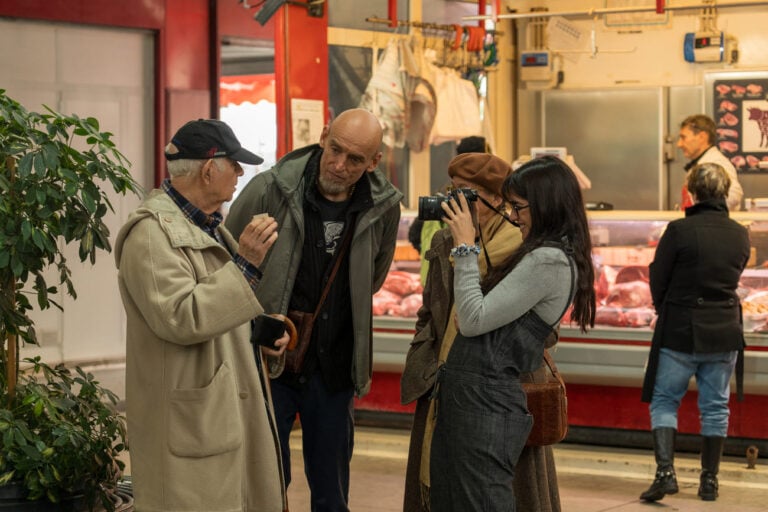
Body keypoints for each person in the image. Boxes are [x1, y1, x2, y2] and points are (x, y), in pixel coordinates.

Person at [225, 108, 403, 511]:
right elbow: (228, 263)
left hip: (335, 368)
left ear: (374, 162)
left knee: (332, 492)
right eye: (335, 149)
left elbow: (372, 278)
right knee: (266, 482)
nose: (339, 165)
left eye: (355, 159)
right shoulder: (270, 189)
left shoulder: (382, 208)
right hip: (270, 363)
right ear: (324, 136)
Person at [115, 119, 289, 512]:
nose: (241, 174)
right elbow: (180, 317)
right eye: (235, 164)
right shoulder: (150, 235)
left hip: (217, 419)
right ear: (210, 168)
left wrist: (259, 330)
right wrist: (246, 263)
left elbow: (216, 306)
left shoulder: (208, 227)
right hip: (189, 428)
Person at [427, 155, 596, 511]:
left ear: (546, 206)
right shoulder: (543, 255)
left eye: (519, 207)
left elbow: (472, 319)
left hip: (485, 406)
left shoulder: (547, 260)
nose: (513, 216)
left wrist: (465, 244)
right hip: (474, 401)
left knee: (480, 502)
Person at [640, 162, 750, 503]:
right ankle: (709, 482)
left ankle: (665, 473)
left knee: (665, 400)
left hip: (680, 329)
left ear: (692, 192)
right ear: (724, 192)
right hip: (724, 329)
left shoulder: (678, 230)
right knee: (716, 407)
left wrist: (665, 307)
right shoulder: (740, 232)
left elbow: (658, 277)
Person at [677, 114, 743, 211]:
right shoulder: (704, 162)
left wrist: (704, 213)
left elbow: (734, 195)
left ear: (702, 137)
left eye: (683, 137)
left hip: (711, 224)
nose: (679, 144)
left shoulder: (716, 164)